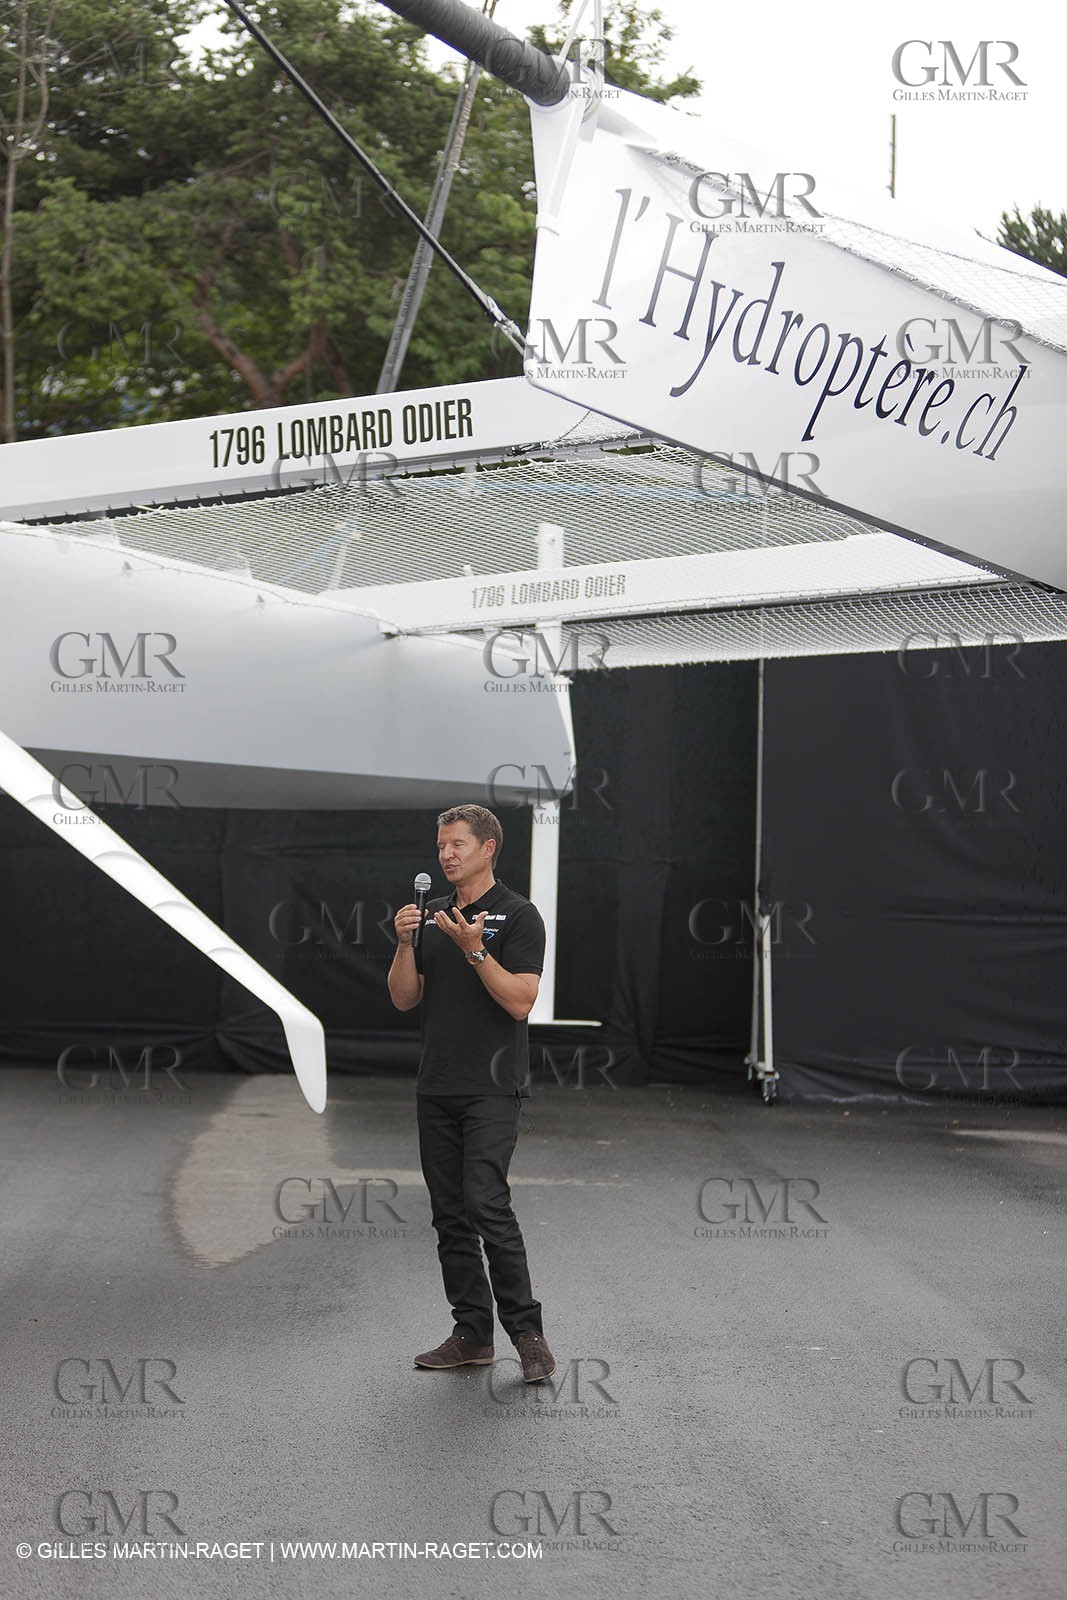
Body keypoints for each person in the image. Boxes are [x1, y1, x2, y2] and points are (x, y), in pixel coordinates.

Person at [388, 803, 556, 1384]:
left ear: (488, 848)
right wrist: (406, 943)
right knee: (450, 1215)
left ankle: (529, 1336)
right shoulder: (431, 916)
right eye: (441, 846)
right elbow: (405, 999)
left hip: (492, 1087)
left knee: (486, 1203)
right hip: (437, 1086)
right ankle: (471, 1335)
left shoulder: (518, 916)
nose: (446, 855)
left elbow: (520, 1001)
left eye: (457, 844)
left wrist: (474, 949)